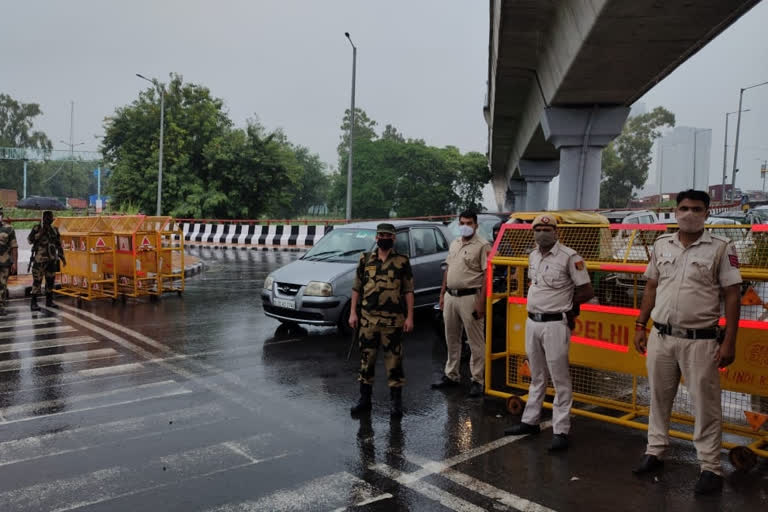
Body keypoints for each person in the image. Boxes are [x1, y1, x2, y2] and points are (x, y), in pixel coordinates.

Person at [632, 189, 741, 495]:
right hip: (662, 335)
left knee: (706, 406)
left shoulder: (721, 248)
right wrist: (641, 324)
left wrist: (730, 340)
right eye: (683, 208)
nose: (688, 214)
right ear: (675, 211)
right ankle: (654, 451)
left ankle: (710, 468)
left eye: (696, 209)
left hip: (701, 340)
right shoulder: (661, 244)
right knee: (658, 397)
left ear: (707, 213)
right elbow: (652, 286)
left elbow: (733, 295)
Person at [503, 214, 594, 452]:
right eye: (538, 229)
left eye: (547, 228)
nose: (542, 232)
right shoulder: (532, 255)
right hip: (532, 322)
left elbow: (586, 290)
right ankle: (530, 421)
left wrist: (568, 306)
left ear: (556, 232)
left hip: (555, 324)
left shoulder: (569, 257)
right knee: (536, 376)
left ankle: (561, 430)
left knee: (560, 378)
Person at [348, 223, 414, 417]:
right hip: (368, 321)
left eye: (387, 235)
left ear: (393, 239)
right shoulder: (366, 259)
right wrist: (353, 312)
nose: (383, 238)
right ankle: (364, 400)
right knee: (366, 362)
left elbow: (409, 290)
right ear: (376, 238)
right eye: (380, 235)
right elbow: (356, 288)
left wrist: (410, 317)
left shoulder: (402, 261)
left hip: (393, 322)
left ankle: (396, 403)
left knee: (394, 362)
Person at [431, 211, 492, 397]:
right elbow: (448, 269)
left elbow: (487, 275)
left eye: (469, 223)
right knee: (451, 338)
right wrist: (442, 294)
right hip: (451, 296)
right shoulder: (455, 243)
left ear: (476, 225)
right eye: (462, 222)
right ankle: (452, 375)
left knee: (475, 341)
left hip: (470, 296)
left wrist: (482, 303)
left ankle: (477, 380)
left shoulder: (483, 245)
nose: (465, 225)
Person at [28, 210, 66, 311]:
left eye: (51, 217)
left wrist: (62, 256)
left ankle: (49, 301)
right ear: (43, 218)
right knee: (37, 281)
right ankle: (33, 303)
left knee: (50, 281)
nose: (50, 219)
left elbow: (58, 244)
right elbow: (29, 240)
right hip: (40, 260)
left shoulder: (54, 229)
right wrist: (40, 233)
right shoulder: (37, 228)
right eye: (48, 217)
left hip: (52, 260)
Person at [0, 206, 19, 316]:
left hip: (4, 263)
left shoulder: (9, 229)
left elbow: (14, 247)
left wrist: (15, 263)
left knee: (2, 285)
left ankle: (1, 306)